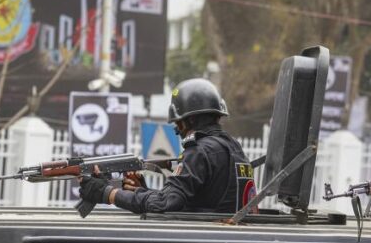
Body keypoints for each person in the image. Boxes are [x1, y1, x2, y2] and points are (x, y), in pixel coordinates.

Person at [78, 78, 258, 213]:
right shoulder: (233, 148)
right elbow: (198, 202)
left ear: (190, 120)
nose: (178, 130)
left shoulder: (200, 152)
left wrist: (107, 193)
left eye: (178, 123)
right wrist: (143, 192)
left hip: (205, 241)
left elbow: (163, 204)